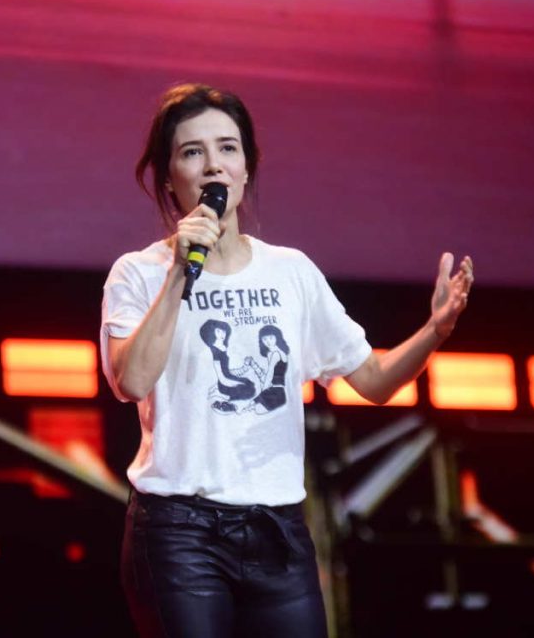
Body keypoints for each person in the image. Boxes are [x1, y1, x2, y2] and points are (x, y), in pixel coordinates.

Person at [100, 83, 473, 637]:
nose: (213, 166)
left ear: (247, 167)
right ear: (168, 175)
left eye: (227, 148)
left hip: (278, 531)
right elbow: (131, 380)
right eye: (192, 151)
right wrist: (182, 270)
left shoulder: (290, 272)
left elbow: (372, 380)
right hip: (180, 533)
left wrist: (434, 331)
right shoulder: (139, 273)